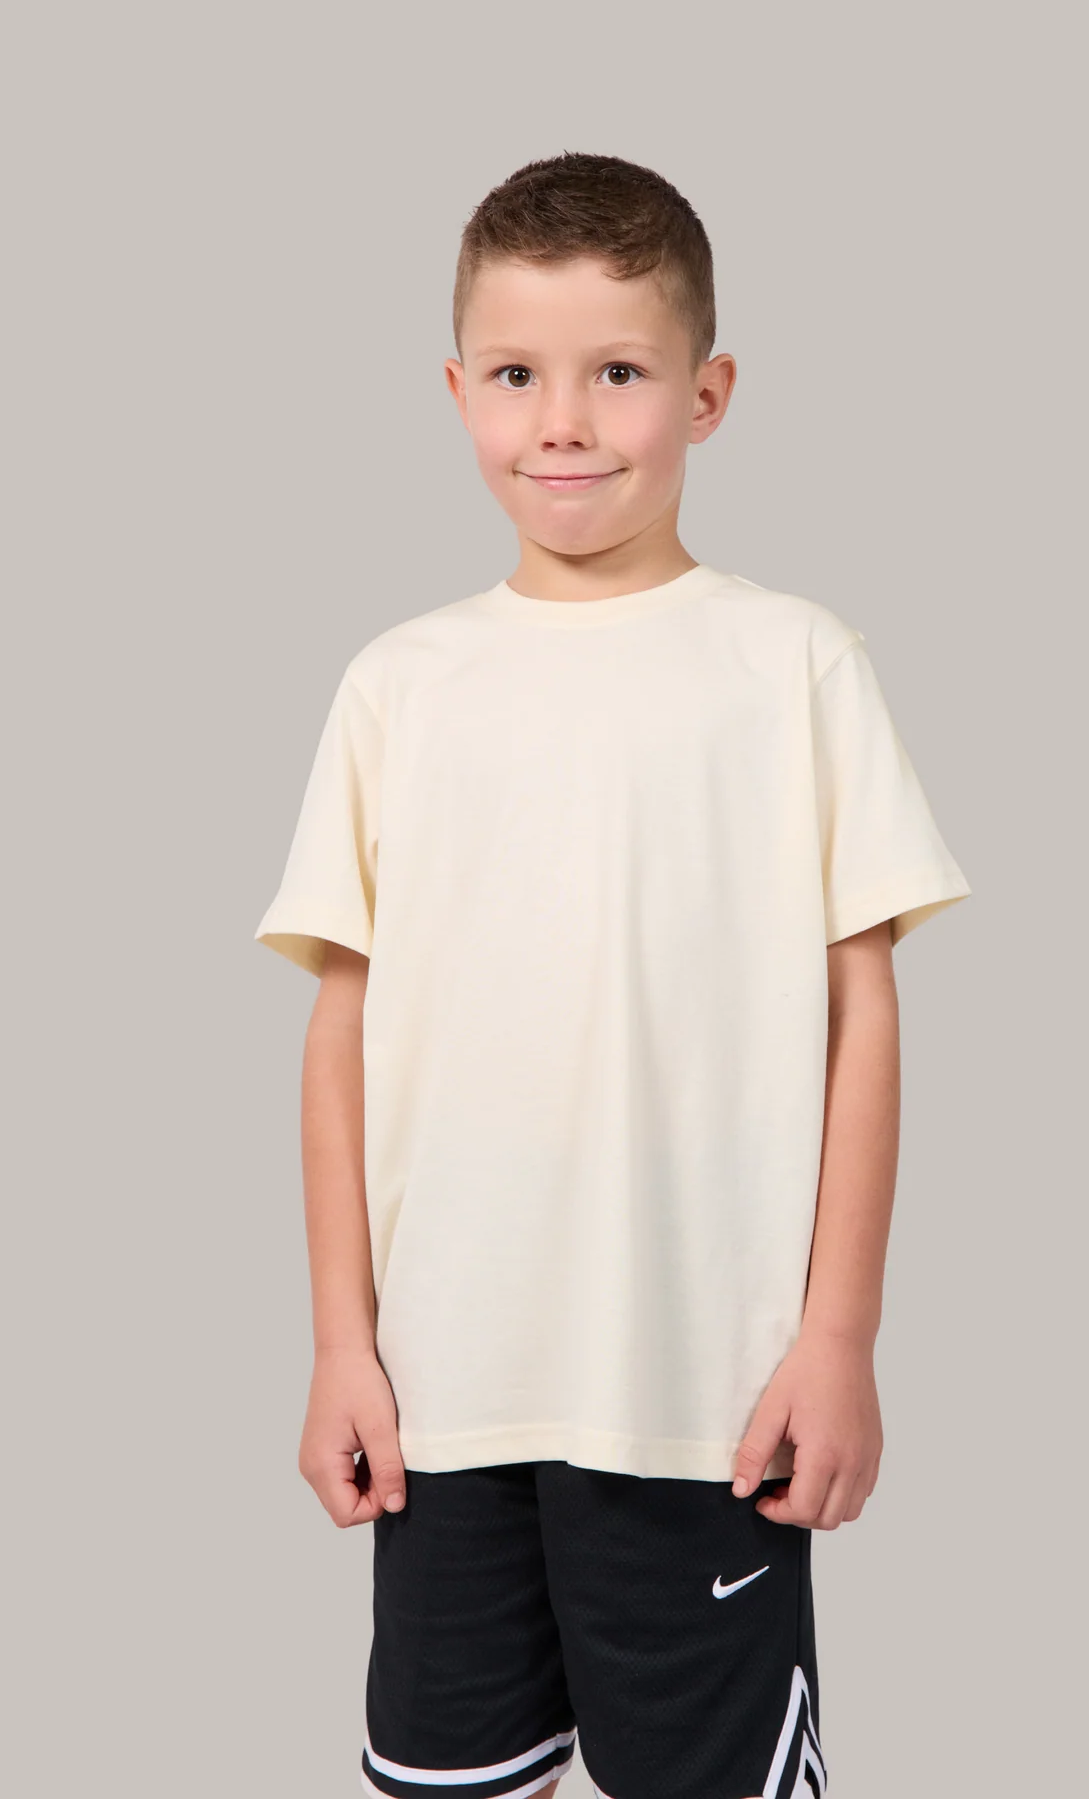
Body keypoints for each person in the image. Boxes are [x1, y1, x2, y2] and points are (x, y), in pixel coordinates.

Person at [253, 151, 971, 1799]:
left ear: (707, 395)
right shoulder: (397, 687)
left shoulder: (793, 667)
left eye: (620, 374)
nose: (564, 423)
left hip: (701, 1400)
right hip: (447, 1396)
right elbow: (341, 1033)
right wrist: (341, 1344)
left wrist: (840, 1338)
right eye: (516, 375)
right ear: (457, 392)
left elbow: (863, 1015)